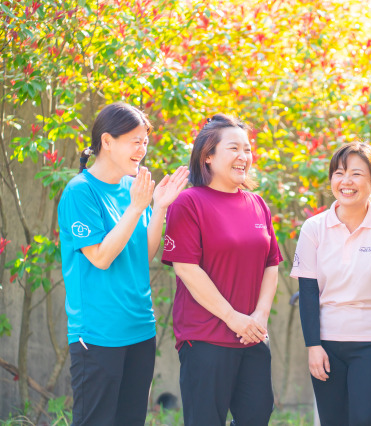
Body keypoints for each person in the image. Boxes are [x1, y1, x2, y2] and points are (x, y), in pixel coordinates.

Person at [58, 102, 189, 426]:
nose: (142, 149)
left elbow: (144, 255)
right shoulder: (80, 192)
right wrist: (135, 209)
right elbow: (101, 258)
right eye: (135, 141)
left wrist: (159, 207)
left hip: (140, 328)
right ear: (107, 141)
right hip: (97, 334)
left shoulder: (133, 188)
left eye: (145, 141)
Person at [161, 114, 282, 426]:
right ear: (208, 156)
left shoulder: (258, 204)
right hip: (205, 339)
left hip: (252, 336)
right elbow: (186, 268)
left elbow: (271, 264)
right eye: (234, 149)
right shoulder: (188, 203)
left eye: (247, 149)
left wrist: (260, 317)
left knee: (257, 417)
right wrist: (232, 318)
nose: (244, 156)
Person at [291, 142, 371, 426]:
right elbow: (308, 293)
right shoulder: (313, 228)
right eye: (339, 173)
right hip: (326, 344)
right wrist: (313, 346)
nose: (346, 181)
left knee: (365, 419)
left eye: (356, 174)